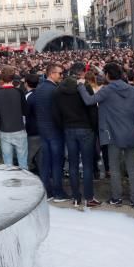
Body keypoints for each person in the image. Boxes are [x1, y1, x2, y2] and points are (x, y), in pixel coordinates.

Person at [77, 61, 134, 208]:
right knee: (131, 168)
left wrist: (81, 86)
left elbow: (89, 101)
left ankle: (117, 198)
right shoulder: (132, 89)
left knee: (114, 168)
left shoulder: (107, 90)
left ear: (108, 75)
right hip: (132, 132)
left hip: (113, 133)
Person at [54, 62, 100, 208]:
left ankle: (76, 197)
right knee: (87, 165)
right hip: (85, 128)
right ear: (81, 73)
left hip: (69, 128)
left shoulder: (59, 89)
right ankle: (89, 197)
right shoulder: (84, 87)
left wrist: (63, 126)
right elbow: (93, 110)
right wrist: (94, 127)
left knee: (73, 164)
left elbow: (57, 113)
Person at [35, 63, 68, 202]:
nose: (62, 76)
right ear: (51, 74)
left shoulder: (39, 88)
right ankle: (58, 192)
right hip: (54, 130)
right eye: (60, 73)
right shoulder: (55, 90)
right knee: (56, 162)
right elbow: (59, 112)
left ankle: (47, 192)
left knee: (46, 162)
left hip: (43, 129)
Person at [0, 66, 28, 169]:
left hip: (5, 130)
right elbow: (26, 111)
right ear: (13, 77)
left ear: (2, 77)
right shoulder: (19, 92)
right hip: (19, 129)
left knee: (8, 165)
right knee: (23, 164)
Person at [24, 73, 41, 173]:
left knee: (28, 157)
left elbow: (24, 115)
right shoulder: (41, 94)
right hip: (43, 129)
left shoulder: (27, 97)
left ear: (26, 84)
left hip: (32, 131)